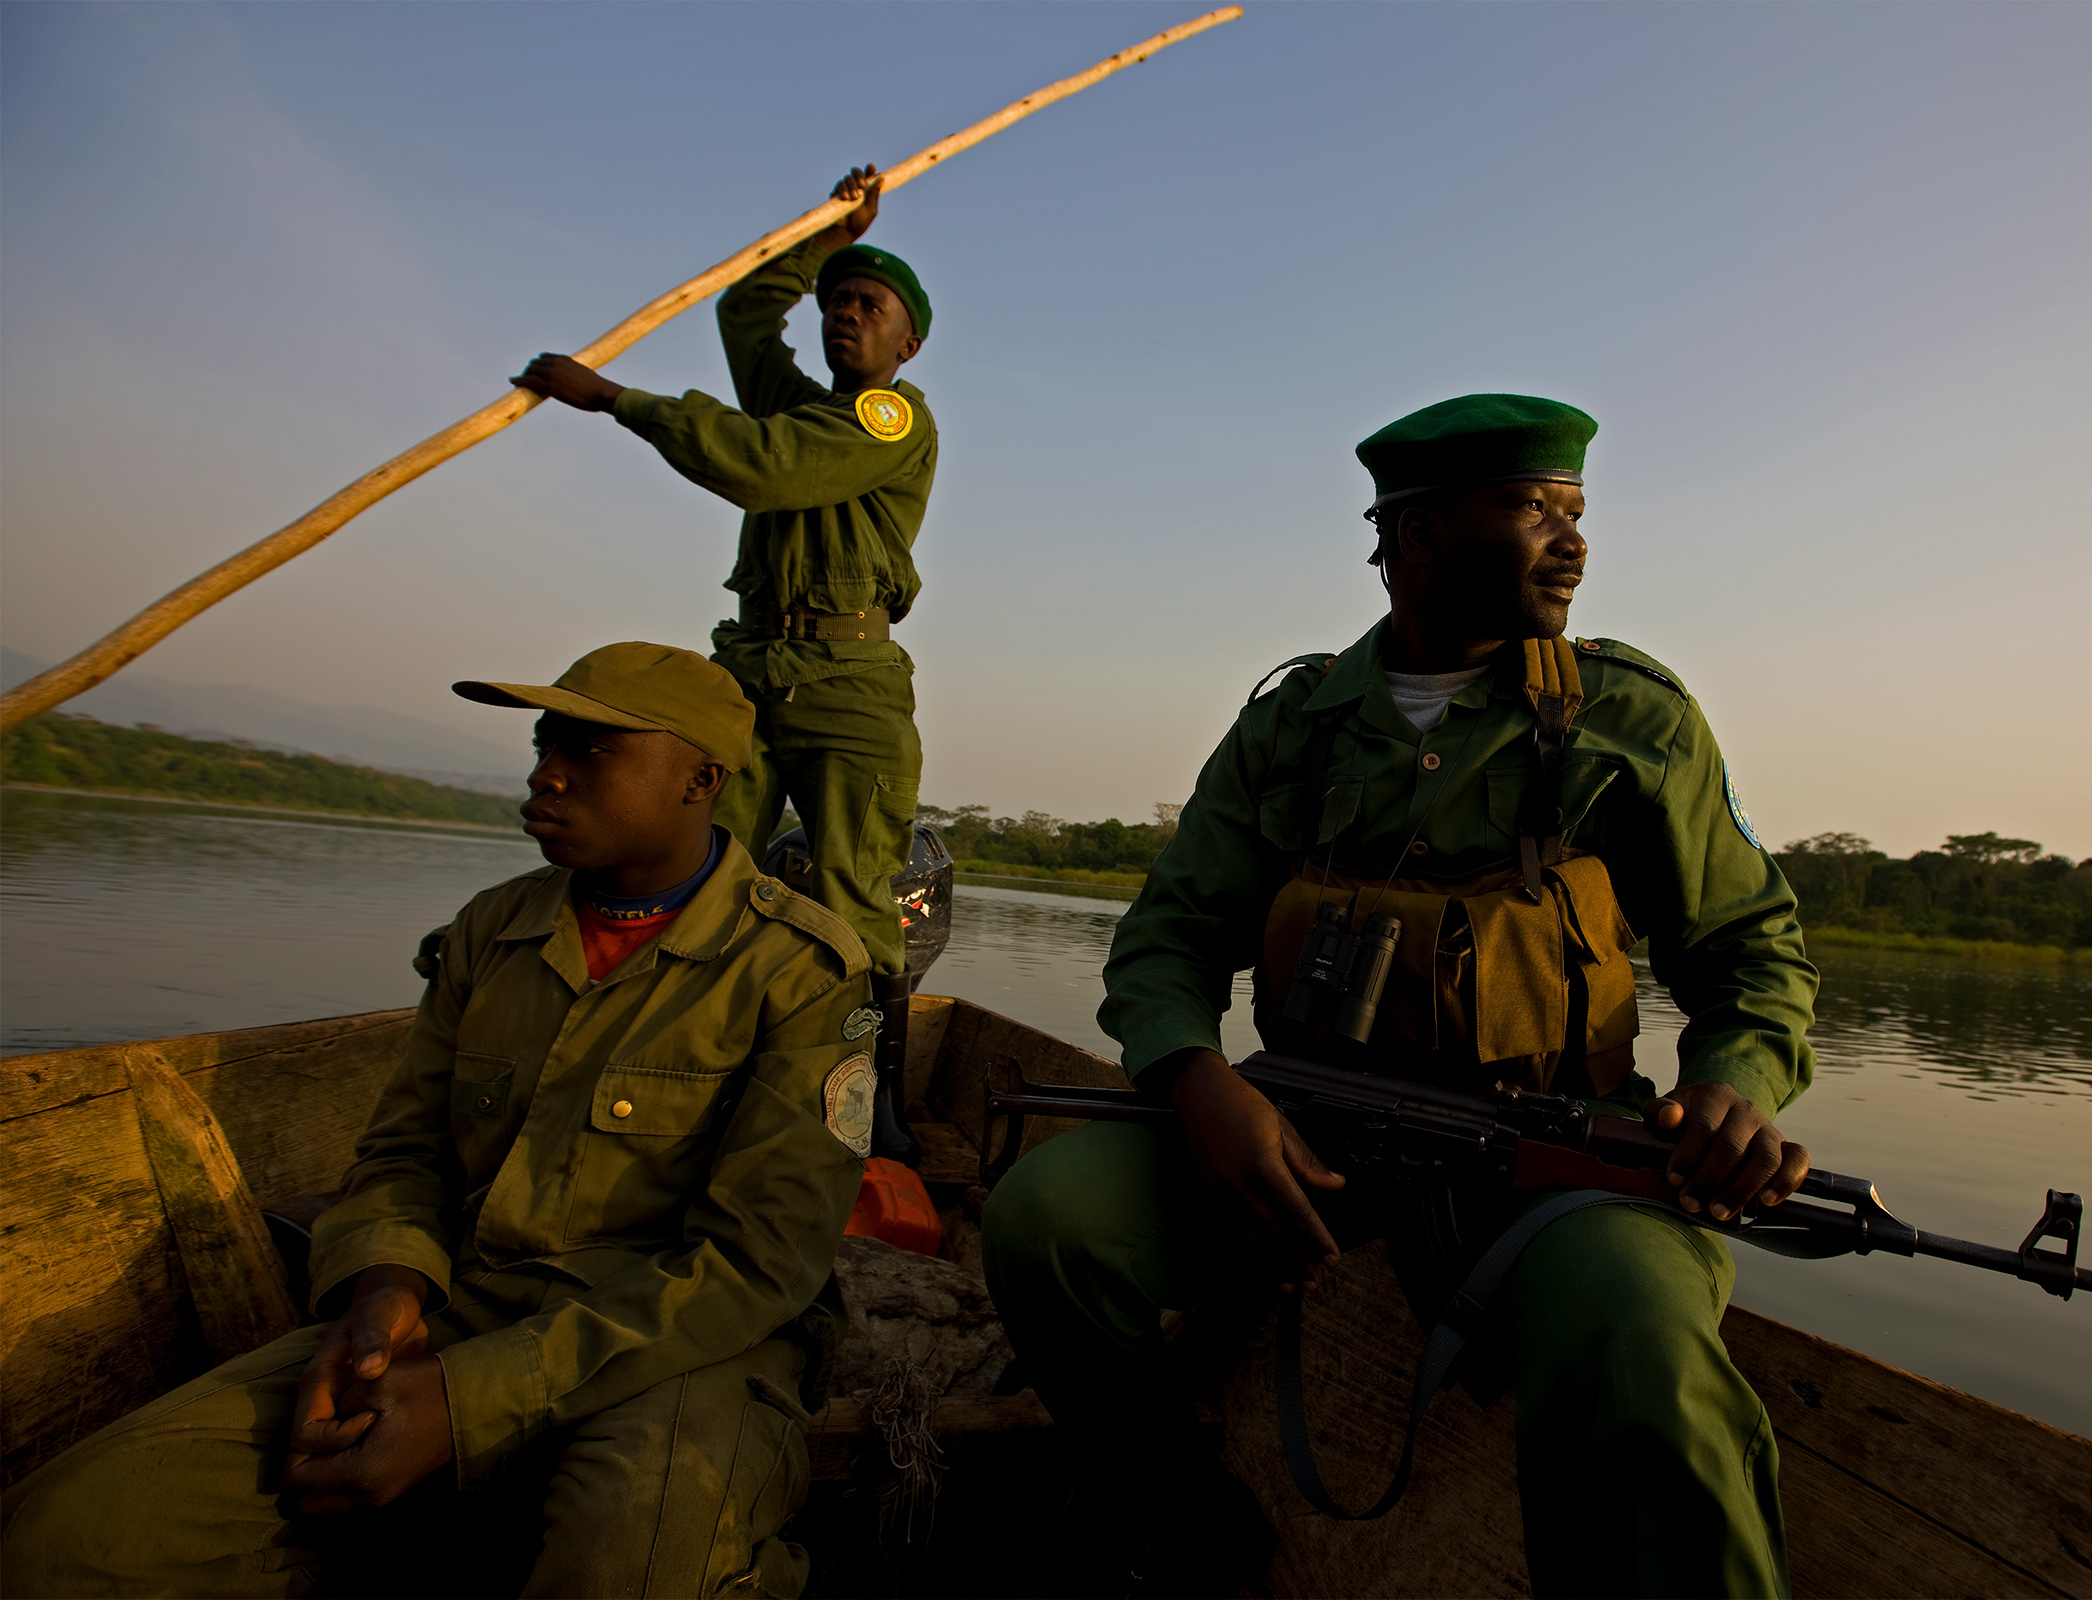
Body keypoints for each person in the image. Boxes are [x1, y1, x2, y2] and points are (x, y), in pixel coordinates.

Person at [980, 395, 1820, 1598]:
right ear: (1417, 537)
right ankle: (1171, 1504)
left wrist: (1734, 1086)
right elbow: (1167, 939)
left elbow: (1751, 952)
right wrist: (1197, 1078)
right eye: (1536, 511)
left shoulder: (1628, 719)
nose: (1575, 542)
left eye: (1577, 512)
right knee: (1044, 1222)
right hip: (1309, 1133)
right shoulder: (1296, 727)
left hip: (1544, 1145)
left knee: (1636, 1331)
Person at [2, 642, 876, 1598]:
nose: (545, 772)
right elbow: (404, 1152)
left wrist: (465, 1405)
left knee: (627, 1565)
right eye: (546, 744)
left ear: (700, 780)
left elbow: (759, 1266)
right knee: (68, 1538)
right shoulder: (489, 930)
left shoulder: (803, 970)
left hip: (681, 1342)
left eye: (591, 753)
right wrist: (382, 1292)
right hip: (463, 1304)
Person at [514, 167, 932, 1155]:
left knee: (852, 894)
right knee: (696, 864)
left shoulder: (890, 418)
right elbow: (749, 312)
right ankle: (657, 1061)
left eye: (870, 308)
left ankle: (872, 1099)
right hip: (751, 666)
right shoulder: (799, 403)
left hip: (849, 685)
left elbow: (761, 463)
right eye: (838, 304)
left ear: (907, 343)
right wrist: (827, 242)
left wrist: (615, 398)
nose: (846, 317)